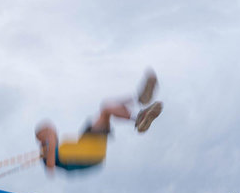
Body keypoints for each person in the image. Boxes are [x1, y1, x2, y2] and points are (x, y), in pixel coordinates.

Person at [35, 70, 163, 172]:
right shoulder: (47, 153)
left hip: (88, 146)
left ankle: (138, 109)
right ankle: (137, 105)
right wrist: (50, 141)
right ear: (42, 138)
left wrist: (52, 140)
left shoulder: (57, 146)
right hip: (87, 154)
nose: (53, 133)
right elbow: (51, 167)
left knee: (106, 108)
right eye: (48, 132)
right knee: (105, 109)